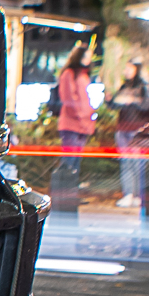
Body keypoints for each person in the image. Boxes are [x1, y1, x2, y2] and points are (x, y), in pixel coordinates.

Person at [111, 55, 149, 209]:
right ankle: (129, 194)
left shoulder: (145, 86)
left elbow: (148, 106)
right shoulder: (125, 86)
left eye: (129, 68)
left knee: (138, 163)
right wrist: (111, 100)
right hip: (123, 128)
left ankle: (138, 195)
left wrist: (133, 101)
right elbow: (113, 105)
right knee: (126, 162)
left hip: (137, 129)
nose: (126, 71)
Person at [56, 40, 97, 200]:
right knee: (69, 162)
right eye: (87, 55)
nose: (89, 59)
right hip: (72, 124)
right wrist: (81, 115)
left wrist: (89, 115)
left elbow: (84, 99)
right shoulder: (69, 74)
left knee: (75, 163)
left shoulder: (83, 75)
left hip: (83, 124)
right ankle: (64, 195)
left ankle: (71, 195)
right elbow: (69, 98)